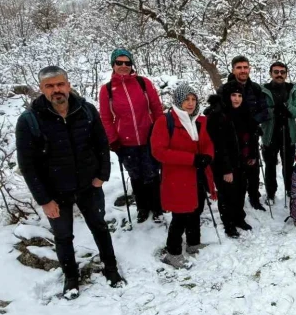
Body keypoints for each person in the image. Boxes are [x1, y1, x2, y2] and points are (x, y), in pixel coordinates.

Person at [16, 66, 124, 299]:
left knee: (100, 227)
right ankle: (71, 278)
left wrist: (101, 176)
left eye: (60, 84)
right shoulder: (30, 120)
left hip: (89, 186)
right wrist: (44, 200)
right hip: (56, 192)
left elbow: (101, 144)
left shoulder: (85, 110)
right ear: (41, 89)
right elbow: (28, 165)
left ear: (68, 84)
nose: (56, 90)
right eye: (50, 86)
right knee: (63, 237)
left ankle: (111, 268)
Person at [151, 83, 216, 269]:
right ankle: (173, 252)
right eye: (186, 99)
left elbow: (208, 143)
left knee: (196, 209)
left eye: (193, 99)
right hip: (178, 177)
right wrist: (192, 159)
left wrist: (208, 156)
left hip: (197, 174)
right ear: (178, 101)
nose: (190, 103)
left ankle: (194, 243)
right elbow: (159, 152)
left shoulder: (200, 120)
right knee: (180, 215)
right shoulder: (165, 121)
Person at [99, 48, 164, 223]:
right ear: (113, 64)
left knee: (152, 173)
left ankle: (157, 206)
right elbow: (106, 118)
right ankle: (143, 208)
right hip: (125, 142)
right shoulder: (107, 90)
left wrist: (160, 131)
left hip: (149, 137)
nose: (123, 66)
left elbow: (157, 108)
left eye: (127, 63)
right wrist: (113, 139)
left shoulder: (143, 83)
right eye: (119, 62)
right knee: (136, 175)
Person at [204, 81, 259, 238]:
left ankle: (239, 218)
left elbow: (251, 135)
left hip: (241, 159)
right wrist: (226, 169)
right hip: (224, 163)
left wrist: (253, 154)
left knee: (241, 190)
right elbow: (218, 146)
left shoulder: (243, 111)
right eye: (233, 95)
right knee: (227, 194)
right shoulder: (216, 115)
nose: (237, 99)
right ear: (226, 96)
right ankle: (229, 225)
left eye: (239, 95)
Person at [220, 56, 270, 211]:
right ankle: (235, 205)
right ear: (233, 69)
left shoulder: (255, 88)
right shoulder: (225, 89)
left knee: (253, 170)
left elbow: (265, 112)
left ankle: (254, 197)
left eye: (245, 67)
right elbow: (219, 113)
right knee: (236, 171)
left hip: (251, 135)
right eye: (239, 67)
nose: (243, 70)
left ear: (249, 69)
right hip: (232, 138)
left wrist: (252, 122)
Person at [261, 61, 296, 204]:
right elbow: (260, 111)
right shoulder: (263, 90)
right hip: (270, 135)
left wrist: (287, 107)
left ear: (286, 73)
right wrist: (273, 111)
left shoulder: (292, 89)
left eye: (282, 72)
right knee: (270, 166)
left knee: (289, 165)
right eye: (276, 72)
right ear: (270, 73)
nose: (279, 75)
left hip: (288, 133)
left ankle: (290, 190)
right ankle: (271, 193)